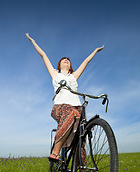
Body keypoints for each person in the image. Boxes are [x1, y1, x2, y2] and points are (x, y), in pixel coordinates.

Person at [26, 33, 104, 163]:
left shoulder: (74, 76)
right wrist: (32, 40)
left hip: (77, 108)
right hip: (60, 107)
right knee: (71, 113)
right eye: (63, 60)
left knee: (81, 142)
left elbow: (86, 61)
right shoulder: (55, 74)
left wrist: (95, 51)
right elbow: (43, 55)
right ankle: (56, 152)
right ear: (59, 65)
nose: (66, 60)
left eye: (68, 60)